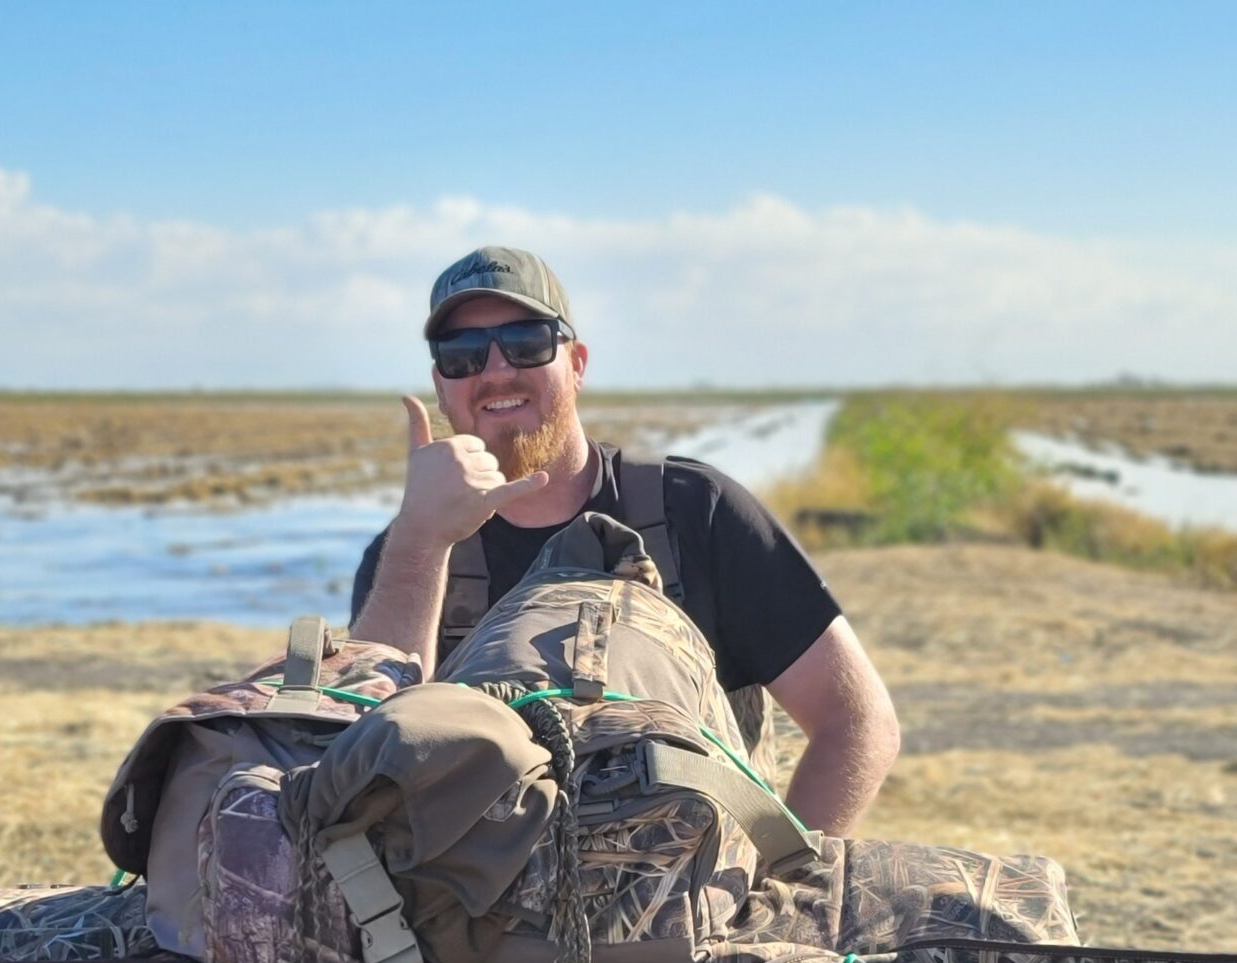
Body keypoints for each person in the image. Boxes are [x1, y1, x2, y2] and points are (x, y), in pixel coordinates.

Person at [350, 245, 900, 838]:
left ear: (577, 363)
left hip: (695, 912)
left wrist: (780, 883)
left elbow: (857, 721)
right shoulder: (409, 556)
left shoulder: (694, 512)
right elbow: (364, 762)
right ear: (441, 385)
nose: (496, 370)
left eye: (527, 342)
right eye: (461, 355)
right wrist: (418, 541)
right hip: (481, 918)